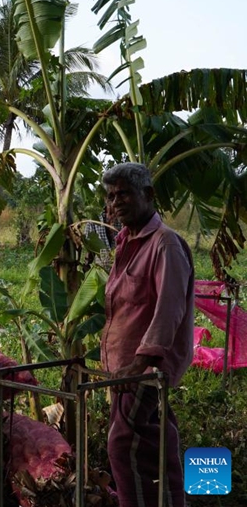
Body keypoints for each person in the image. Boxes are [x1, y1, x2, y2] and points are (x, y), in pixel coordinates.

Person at [100, 163, 194, 507]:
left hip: (144, 369)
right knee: (154, 444)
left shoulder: (164, 244)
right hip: (124, 369)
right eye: (111, 196)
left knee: (122, 445)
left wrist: (138, 365)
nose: (116, 202)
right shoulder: (126, 242)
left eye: (124, 193)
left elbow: (169, 311)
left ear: (148, 194)